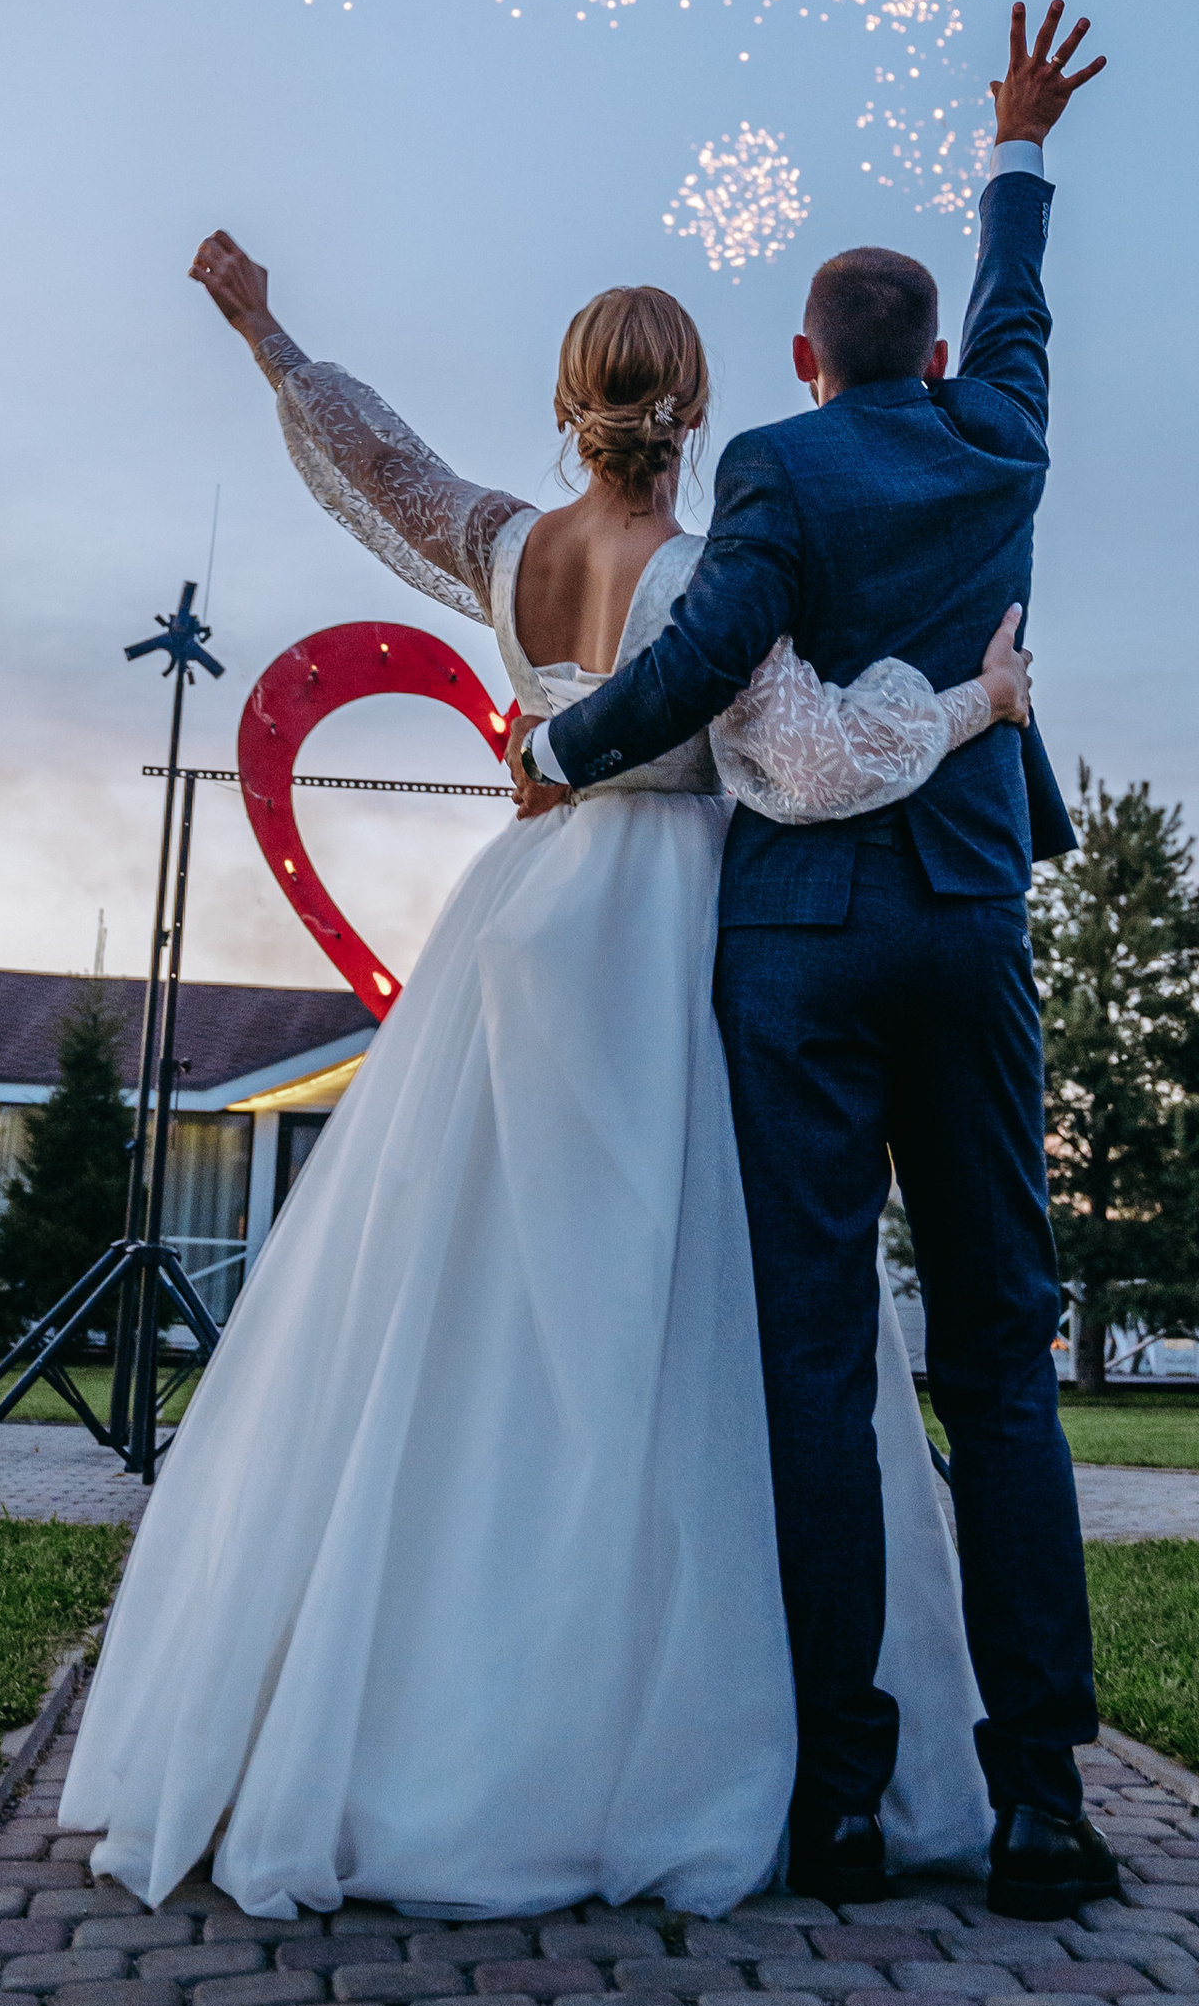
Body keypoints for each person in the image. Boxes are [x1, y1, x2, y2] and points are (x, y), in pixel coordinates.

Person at [56, 238, 1031, 1918]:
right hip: (670, 951)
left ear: (571, 406)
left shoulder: (507, 551)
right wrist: (972, 702)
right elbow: (806, 762)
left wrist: (269, 334)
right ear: (699, 408)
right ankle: (690, 1737)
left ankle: (423, 1712)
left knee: (468, 1314)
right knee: (687, 1327)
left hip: (518, 935)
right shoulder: (718, 575)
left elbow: (381, 464)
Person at [528, 0, 1118, 1921]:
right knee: (1003, 1357)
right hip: (968, 932)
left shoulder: (777, 471)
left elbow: (709, 663)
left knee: (812, 1363)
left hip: (795, 951)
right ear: (934, 360)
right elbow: (1023, 314)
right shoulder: (999, 439)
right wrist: (1018, 149)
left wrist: (561, 751)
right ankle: (1043, 1804)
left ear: (802, 360)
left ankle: (841, 1805)